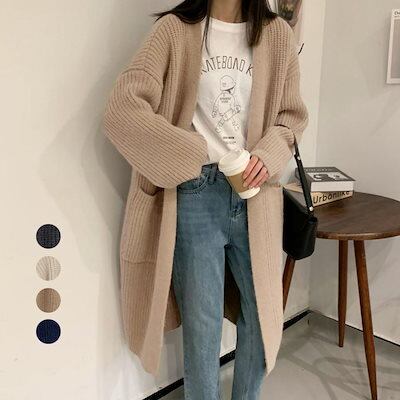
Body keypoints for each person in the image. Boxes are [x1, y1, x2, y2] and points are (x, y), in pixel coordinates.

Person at [103, 0, 309, 399]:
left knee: (263, 318)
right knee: (203, 326)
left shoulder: (277, 36)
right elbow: (122, 109)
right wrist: (190, 152)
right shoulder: (174, 30)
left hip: (256, 196)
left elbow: (292, 116)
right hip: (195, 194)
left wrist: (268, 154)